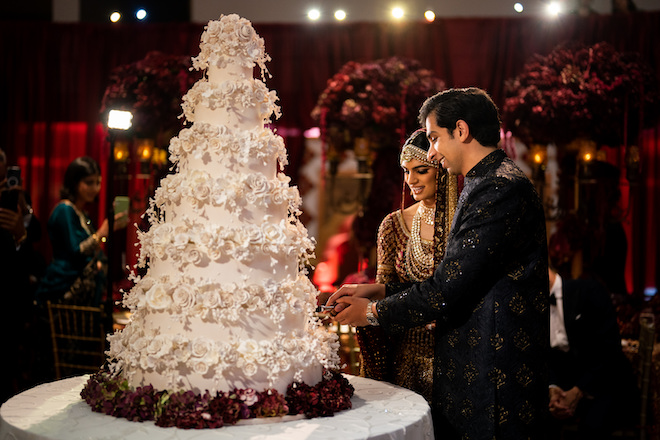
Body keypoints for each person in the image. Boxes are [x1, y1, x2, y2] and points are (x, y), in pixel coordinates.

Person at [327, 87, 549, 439]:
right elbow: (463, 279)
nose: (431, 152)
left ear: (460, 131)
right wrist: (380, 289)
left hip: (493, 380)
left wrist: (371, 312)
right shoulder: (482, 183)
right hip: (476, 373)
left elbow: (449, 287)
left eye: (433, 138)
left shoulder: (498, 189)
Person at [356, 129, 457, 404]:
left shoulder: (464, 224)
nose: (410, 180)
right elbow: (384, 291)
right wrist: (360, 297)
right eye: (406, 171)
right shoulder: (393, 225)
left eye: (421, 170)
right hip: (406, 363)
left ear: (442, 167)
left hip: (456, 359)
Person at [547, 267, 639, 439]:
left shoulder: (589, 290)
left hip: (605, 383)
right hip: (566, 388)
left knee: (592, 428)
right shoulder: (531, 309)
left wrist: (579, 389)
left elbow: (610, 351)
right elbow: (544, 358)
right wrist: (553, 388)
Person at [35, 156, 126, 307]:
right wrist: (101, 232)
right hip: (64, 289)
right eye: (89, 182)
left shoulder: (83, 214)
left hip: (83, 296)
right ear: (74, 182)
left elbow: (92, 251)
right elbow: (76, 251)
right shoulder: (65, 210)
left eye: (97, 183)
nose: (95, 188)